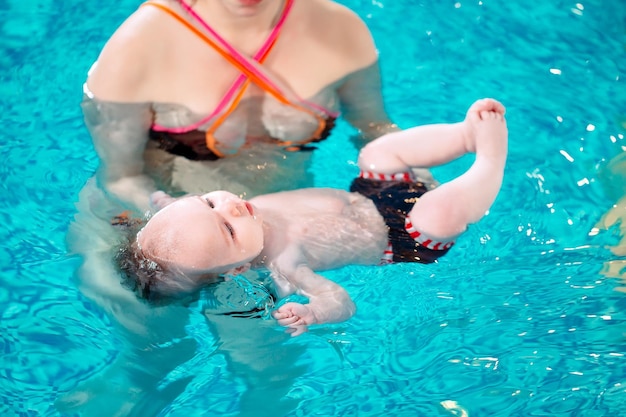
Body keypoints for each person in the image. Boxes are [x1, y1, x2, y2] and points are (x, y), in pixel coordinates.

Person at [116, 98, 508, 336]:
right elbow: (340, 299)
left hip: (371, 192)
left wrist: (159, 204)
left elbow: (179, 213)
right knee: (438, 212)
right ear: (236, 270)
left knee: (377, 154)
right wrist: (314, 312)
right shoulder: (285, 265)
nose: (230, 206)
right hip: (404, 236)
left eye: (207, 201)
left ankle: (464, 136)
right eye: (229, 229)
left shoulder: (199, 217)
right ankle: (489, 161)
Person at [83, 0, 434, 214]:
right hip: (144, 218)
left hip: (277, 222)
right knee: (148, 333)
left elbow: (374, 130)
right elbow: (121, 179)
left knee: (258, 335)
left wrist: (414, 178)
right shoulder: (137, 47)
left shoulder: (341, 30)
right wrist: (182, 221)